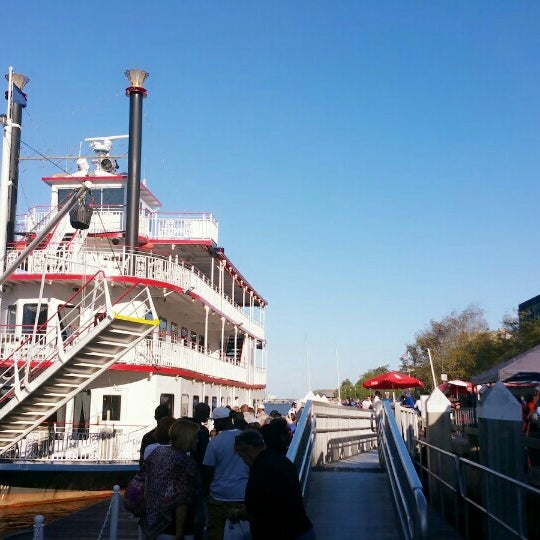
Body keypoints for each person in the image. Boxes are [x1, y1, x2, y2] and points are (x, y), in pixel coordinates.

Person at [233, 430, 315, 540]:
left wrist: (237, 514)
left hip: (277, 532)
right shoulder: (283, 460)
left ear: (248, 449)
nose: (243, 461)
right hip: (301, 528)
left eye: (242, 456)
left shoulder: (259, 468)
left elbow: (253, 508)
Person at [140, 419, 203, 540]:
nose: (197, 440)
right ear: (187, 437)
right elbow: (181, 500)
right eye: (195, 437)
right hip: (174, 525)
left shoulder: (157, 453)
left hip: (153, 521)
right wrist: (180, 533)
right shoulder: (185, 463)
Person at [202, 406, 249, 540]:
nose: (215, 425)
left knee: (217, 533)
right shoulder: (246, 437)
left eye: (215, 422)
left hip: (219, 497)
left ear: (219, 422)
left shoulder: (215, 443)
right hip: (243, 495)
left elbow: (208, 470)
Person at [184, 402, 211, 468]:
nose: (208, 416)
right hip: (196, 465)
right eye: (207, 414)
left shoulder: (184, 424)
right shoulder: (203, 430)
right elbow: (203, 452)